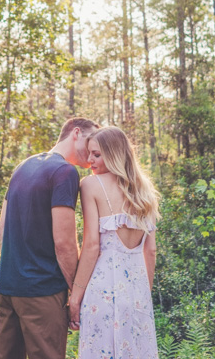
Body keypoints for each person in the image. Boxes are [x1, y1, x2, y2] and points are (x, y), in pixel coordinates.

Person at [0, 116, 99, 359]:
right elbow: (64, 243)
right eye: (90, 140)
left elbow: (1, 228)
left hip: (8, 288)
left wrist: (17, 271)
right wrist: (75, 294)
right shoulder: (65, 171)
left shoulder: (23, 166)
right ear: (76, 133)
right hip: (42, 292)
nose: (94, 151)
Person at [69, 126, 161, 358]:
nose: (90, 160)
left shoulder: (91, 185)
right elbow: (150, 251)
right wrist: (142, 294)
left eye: (97, 155)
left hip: (102, 292)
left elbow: (91, 246)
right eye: (89, 153)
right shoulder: (146, 192)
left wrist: (75, 297)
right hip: (138, 293)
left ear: (115, 154)